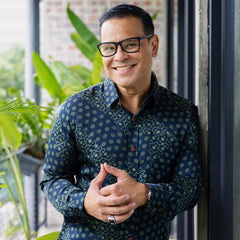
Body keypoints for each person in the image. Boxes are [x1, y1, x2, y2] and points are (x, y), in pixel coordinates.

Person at [40, 4, 203, 240]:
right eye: (109, 48)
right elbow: (52, 178)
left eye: (130, 44)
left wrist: (146, 194)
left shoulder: (183, 114)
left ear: (153, 45)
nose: (119, 56)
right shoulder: (76, 109)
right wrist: (85, 202)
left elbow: (191, 186)